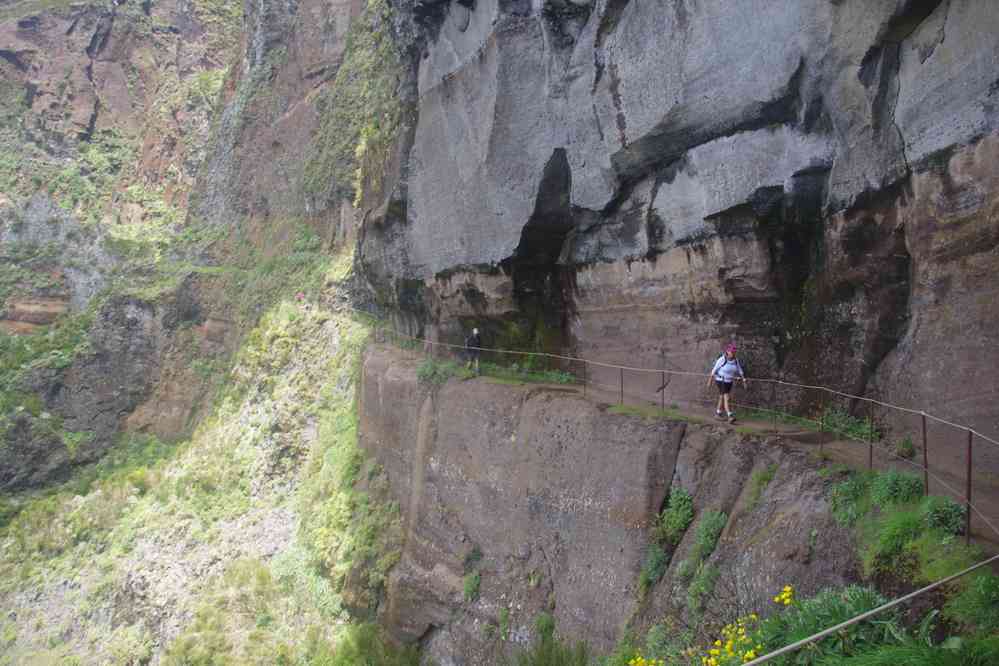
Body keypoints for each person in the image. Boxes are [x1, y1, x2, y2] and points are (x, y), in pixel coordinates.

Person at [707, 343, 746, 422]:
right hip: (721, 380)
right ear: (727, 351)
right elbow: (714, 370)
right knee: (726, 397)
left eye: (734, 352)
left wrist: (744, 380)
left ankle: (718, 414)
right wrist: (709, 382)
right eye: (732, 352)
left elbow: (740, 370)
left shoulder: (735, 360)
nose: (733, 353)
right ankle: (730, 415)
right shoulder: (722, 359)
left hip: (729, 381)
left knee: (722, 397)